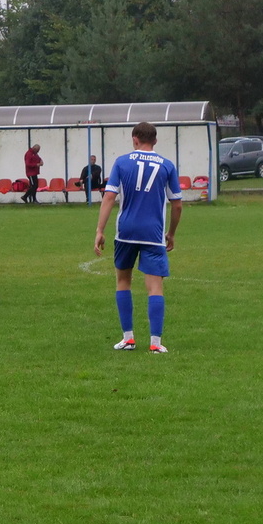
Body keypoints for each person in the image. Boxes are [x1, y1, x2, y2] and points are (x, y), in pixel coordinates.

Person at [93, 121, 183, 354]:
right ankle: (155, 342)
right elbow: (177, 205)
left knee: (123, 281)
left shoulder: (122, 162)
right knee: (155, 287)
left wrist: (100, 230)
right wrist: (171, 233)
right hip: (153, 233)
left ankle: (128, 338)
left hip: (126, 231)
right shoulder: (167, 165)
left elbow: (109, 197)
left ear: (135, 139)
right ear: (155, 141)